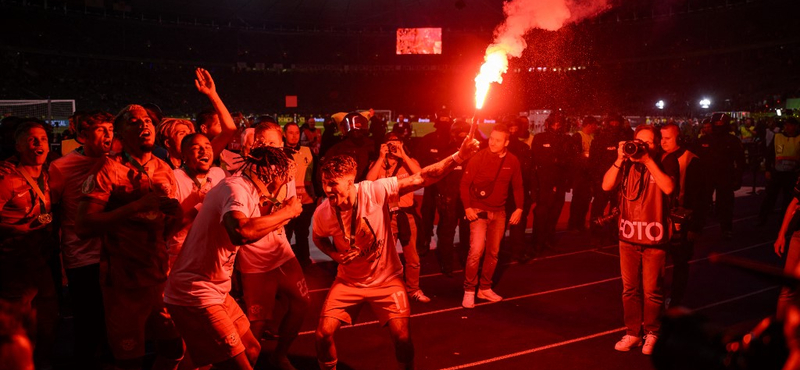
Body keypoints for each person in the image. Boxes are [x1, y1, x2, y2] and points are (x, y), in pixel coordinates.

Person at [311, 129, 480, 370]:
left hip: (386, 280)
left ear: (351, 182)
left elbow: (422, 178)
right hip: (348, 281)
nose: (328, 190)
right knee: (321, 335)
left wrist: (458, 157)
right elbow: (319, 239)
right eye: (325, 183)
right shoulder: (323, 212)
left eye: (333, 184)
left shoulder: (374, 191)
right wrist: (335, 255)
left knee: (402, 339)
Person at [164, 146, 301, 370]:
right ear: (269, 172)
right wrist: (287, 212)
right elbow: (240, 231)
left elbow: (251, 229)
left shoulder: (244, 188)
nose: (284, 182)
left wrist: (279, 211)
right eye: (282, 176)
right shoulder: (236, 188)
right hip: (196, 292)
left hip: (216, 289)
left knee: (252, 349)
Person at [76, 104, 184, 370]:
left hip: (159, 277)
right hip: (123, 281)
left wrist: (176, 214)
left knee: (174, 348)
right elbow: (83, 226)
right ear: (120, 134)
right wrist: (134, 207)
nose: (144, 125)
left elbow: (168, 227)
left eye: (147, 120)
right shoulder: (107, 168)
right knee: (130, 359)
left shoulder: (163, 168)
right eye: (134, 122)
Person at [236, 121, 310, 370]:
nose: (271, 148)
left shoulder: (286, 173)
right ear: (255, 145)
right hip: (254, 258)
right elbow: (251, 227)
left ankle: (280, 354)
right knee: (257, 323)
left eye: (275, 144)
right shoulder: (242, 178)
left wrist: (287, 211)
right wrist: (279, 201)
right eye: (265, 143)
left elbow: (289, 209)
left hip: (280, 249)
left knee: (302, 302)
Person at [602, 125, 678, 356]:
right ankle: (633, 333)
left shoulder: (665, 161)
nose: (641, 146)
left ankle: (653, 332)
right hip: (628, 237)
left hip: (654, 239)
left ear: (655, 145)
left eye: (648, 142)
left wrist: (647, 160)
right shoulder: (625, 164)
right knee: (629, 290)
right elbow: (606, 185)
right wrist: (618, 158)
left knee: (652, 291)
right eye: (638, 141)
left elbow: (668, 187)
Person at [49, 111, 115, 366]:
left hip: (114, 253)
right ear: (83, 135)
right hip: (82, 255)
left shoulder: (117, 163)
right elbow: (53, 212)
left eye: (111, 129)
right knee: (87, 323)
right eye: (101, 129)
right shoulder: (61, 167)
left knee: (114, 322)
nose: (108, 135)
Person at [0, 120, 59, 368]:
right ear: (18, 145)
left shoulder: (48, 173)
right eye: (32, 139)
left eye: (44, 139)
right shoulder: (6, 177)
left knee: (47, 324)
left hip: (41, 264)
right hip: (13, 267)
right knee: (16, 332)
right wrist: (20, 229)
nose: (39, 144)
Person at [459, 124, 524, 308]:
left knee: (493, 253)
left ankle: (485, 288)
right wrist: (467, 208)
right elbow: (464, 184)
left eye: (497, 140)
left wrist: (519, 208)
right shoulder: (478, 157)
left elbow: (518, 186)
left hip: (500, 213)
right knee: (476, 252)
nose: (492, 142)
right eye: (492, 138)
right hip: (479, 211)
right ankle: (470, 290)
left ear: (506, 142)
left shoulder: (512, 161)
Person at [366, 132, 431, 303]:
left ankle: (413, 289)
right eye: (390, 144)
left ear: (402, 144)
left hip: (406, 215)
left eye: (396, 144)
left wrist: (404, 155)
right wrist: (381, 157)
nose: (393, 147)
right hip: (386, 216)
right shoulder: (377, 164)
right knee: (386, 258)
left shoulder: (409, 163)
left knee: (413, 257)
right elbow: (368, 182)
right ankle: (386, 290)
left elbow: (423, 177)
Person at [660, 123, 707, 308]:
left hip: (683, 221)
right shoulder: (660, 157)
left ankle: (676, 300)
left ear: (679, 138)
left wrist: (695, 226)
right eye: (661, 138)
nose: (663, 142)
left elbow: (701, 196)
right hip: (661, 219)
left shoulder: (691, 160)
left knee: (680, 262)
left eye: (667, 138)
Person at [167, 133, 227, 269]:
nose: (204, 151)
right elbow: (169, 229)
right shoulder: (174, 179)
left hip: (215, 255)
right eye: (196, 147)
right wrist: (202, 205)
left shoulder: (218, 174)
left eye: (208, 146)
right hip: (183, 257)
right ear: (183, 156)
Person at [531, 112, 578, 253]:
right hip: (544, 184)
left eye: (559, 123)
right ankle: (537, 242)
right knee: (541, 214)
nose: (556, 126)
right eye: (554, 123)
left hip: (560, 183)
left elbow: (571, 161)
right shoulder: (540, 138)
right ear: (548, 124)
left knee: (554, 214)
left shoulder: (566, 139)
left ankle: (548, 240)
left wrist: (562, 167)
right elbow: (535, 160)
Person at [693, 113, 745, 239]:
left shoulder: (732, 141)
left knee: (725, 204)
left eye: (720, 124)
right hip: (707, 177)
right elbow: (695, 159)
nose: (718, 126)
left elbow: (740, 161)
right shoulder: (704, 140)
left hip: (725, 177)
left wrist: (738, 179)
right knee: (703, 203)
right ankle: (697, 228)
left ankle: (726, 229)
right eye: (716, 123)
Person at [433, 120, 472, 276]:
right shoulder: (446, 151)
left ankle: (465, 260)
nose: (462, 138)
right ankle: (446, 263)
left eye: (465, 135)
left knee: (467, 232)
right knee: (446, 232)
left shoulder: (474, 152)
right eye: (460, 134)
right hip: (449, 198)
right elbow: (439, 175)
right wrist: (442, 195)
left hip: (467, 200)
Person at [283, 122, 316, 267]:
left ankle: (304, 261)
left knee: (302, 233)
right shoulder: (279, 152)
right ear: (284, 134)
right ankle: (285, 263)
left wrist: (317, 195)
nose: (294, 136)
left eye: (297, 133)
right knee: (285, 235)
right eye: (290, 133)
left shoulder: (308, 151)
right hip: (286, 203)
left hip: (306, 201)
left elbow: (315, 175)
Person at [759, 118, 800, 227]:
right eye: (786, 125)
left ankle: (783, 222)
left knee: (788, 200)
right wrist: (768, 169)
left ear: (795, 126)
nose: (788, 127)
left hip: (792, 174)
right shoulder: (778, 137)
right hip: (778, 173)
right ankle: (761, 220)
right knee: (770, 197)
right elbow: (770, 154)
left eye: (790, 125)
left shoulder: (799, 138)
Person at [322, 111, 376, 181]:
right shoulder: (337, 148)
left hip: (366, 187)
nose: (354, 128)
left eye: (357, 124)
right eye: (351, 124)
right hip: (346, 187)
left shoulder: (372, 145)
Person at [568, 116, 599, 232]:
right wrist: (586, 156)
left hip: (588, 174)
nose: (596, 128)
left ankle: (580, 223)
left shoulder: (592, 137)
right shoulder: (578, 136)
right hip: (580, 175)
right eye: (594, 125)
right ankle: (573, 225)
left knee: (586, 200)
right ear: (589, 125)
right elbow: (576, 155)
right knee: (577, 200)